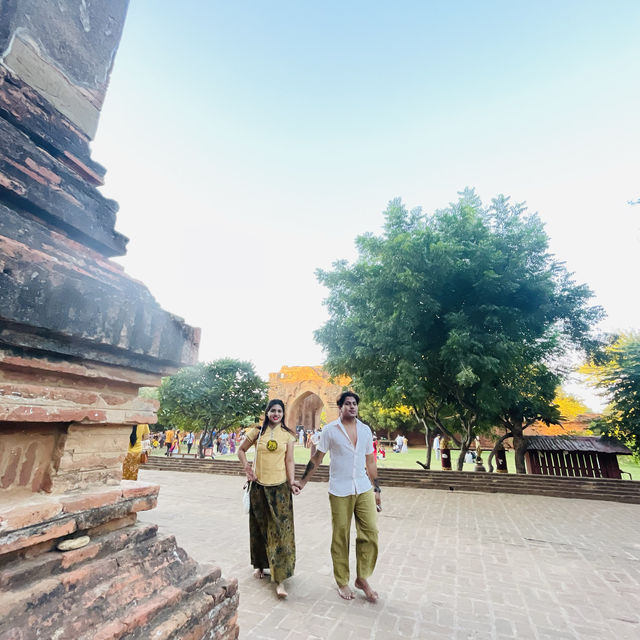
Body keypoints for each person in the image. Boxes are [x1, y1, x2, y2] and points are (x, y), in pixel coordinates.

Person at [296, 391, 381, 603]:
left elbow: (370, 461)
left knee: (370, 532)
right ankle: (342, 580)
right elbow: (317, 458)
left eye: (354, 404)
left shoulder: (365, 430)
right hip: (340, 489)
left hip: (362, 487)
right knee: (341, 536)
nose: (352, 407)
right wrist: (302, 481)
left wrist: (377, 488)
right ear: (340, 407)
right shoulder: (330, 430)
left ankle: (362, 578)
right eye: (348, 404)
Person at [237, 399, 299, 599]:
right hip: (259, 487)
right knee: (260, 528)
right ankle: (260, 565)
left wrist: (292, 482)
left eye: (279, 411)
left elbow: (289, 460)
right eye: (273, 410)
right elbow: (241, 450)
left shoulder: (287, 436)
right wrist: (247, 467)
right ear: (267, 412)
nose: (276, 414)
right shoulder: (257, 432)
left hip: (279, 488)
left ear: (283, 414)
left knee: (280, 532)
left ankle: (280, 579)